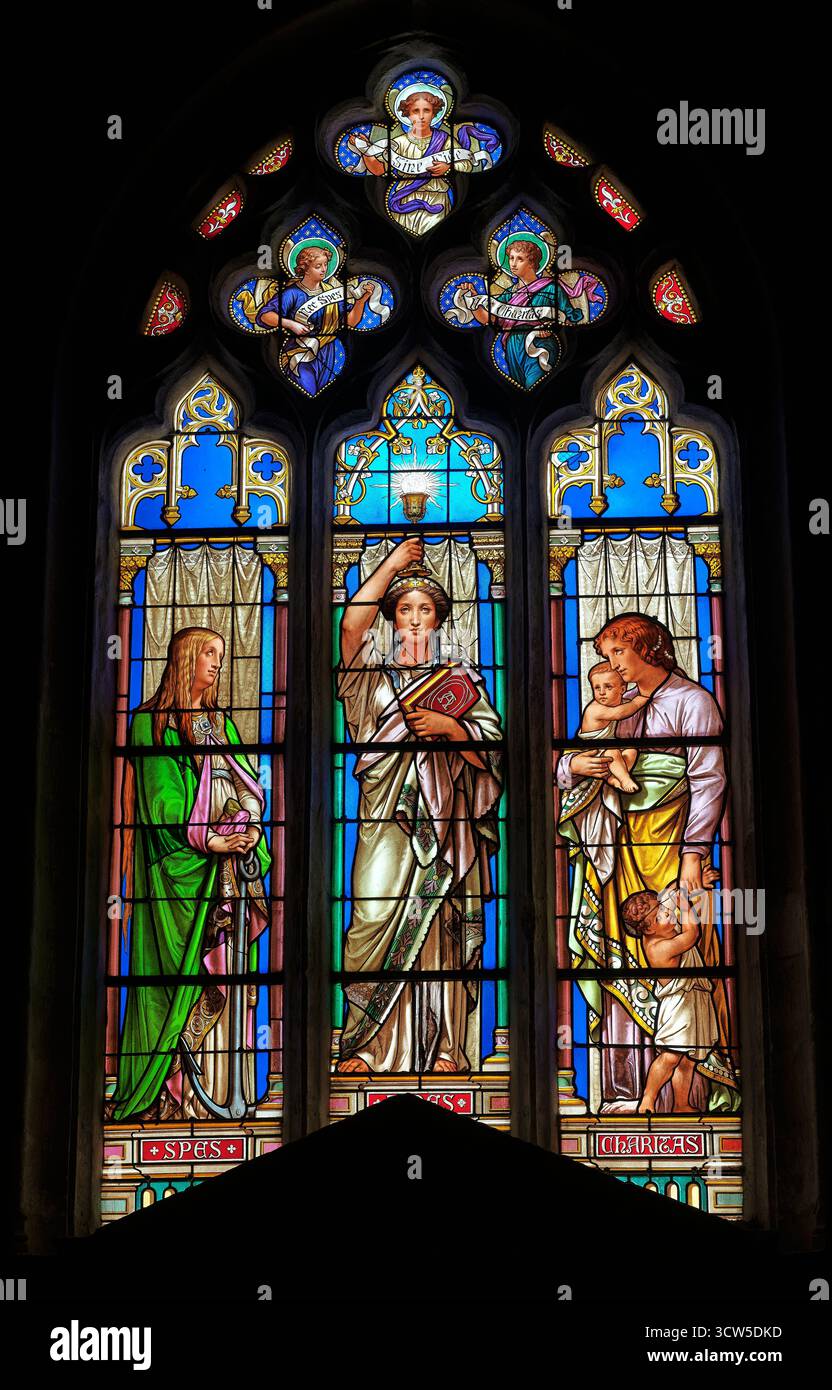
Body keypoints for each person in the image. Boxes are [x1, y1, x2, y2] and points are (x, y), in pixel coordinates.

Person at [557, 611, 738, 1110]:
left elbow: (709, 780)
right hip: (617, 847)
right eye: (606, 654)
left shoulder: (693, 701)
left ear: (649, 649)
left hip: (672, 844)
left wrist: (694, 853)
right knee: (622, 950)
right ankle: (620, 1086)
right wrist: (573, 764)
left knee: (681, 952)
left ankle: (695, 1095)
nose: (609, 663)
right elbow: (569, 759)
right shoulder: (620, 703)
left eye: (617, 652)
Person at [335, 537, 503, 1074]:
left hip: (448, 833)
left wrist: (453, 729)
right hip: (384, 823)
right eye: (403, 609)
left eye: (424, 610)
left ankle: (449, 1049)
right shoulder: (371, 679)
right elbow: (348, 628)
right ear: (390, 617)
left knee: (442, 930)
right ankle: (368, 1045)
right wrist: (393, 564)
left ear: (439, 621)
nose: (413, 619)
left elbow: (494, 761)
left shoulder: (464, 684)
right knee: (372, 917)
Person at [110, 626, 270, 1122]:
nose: (217, 665)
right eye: (209, 655)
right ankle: (162, 1094)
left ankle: (213, 1092)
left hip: (224, 873)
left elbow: (246, 779)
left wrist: (248, 827)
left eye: (221, 656)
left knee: (223, 974)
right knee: (170, 982)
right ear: (183, 659)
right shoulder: (149, 723)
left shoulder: (220, 724)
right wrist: (209, 838)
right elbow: (160, 800)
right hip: (176, 875)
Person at [620, 885, 720, 1114]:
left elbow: (669, 894)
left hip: (693, 999)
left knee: (688, 1060)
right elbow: (692, 935)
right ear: (650, 928)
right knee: (671, 1056)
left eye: (668, 910)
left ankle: (681, 1104)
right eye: (665, 915)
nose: (671, 913)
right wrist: (685, 906)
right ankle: (648, 1099)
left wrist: (695, 882)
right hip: (679, 1007)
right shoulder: (659, 947)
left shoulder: (660, 929)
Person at [460, 239, 584, 390]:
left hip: (540, 345)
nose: (513, 263)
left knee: (536, 384)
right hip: (512, 347)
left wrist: (550, 327)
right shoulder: (509, 294)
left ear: (532, 263)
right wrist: (472, 299)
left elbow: (572, 316)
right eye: (511, 258)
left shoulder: (552, 289)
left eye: (519, 259)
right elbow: (487, 319)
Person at [255, 245, 371, 395]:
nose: (324, 269)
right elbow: (265, 315)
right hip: (299, 353)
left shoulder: (332, 292)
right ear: (305, 268)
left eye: (325, 265)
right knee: (307, 388)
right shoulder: (292, 293)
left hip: (329, 352)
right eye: (318, 266)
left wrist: (361, 301)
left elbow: (351, 322)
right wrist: (290, 324)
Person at [578, 659, 650, 793]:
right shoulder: (596, 709)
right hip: (590, 753)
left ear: (623, 689)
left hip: (605, 751)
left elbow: (624, 705)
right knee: (613, 752)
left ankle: (613, 778)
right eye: (597, 688)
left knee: (631, 752)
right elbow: (620, 712)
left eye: (608, 687)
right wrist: (639, 701)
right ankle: (625, 779)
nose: (602, 692)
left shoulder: (617, 702)